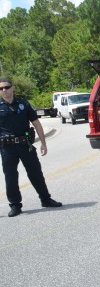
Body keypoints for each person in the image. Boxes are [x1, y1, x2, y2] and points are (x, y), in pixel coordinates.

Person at [0, 77, 62, 217]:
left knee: (36, 173)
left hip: (25, 145)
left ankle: (45, 199)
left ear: (13, 87)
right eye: (1, 88)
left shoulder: (23, 104)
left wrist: (43, 143)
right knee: (10, 177)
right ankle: (15, 205)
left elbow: (36, 123)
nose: (4, 90)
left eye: (7, 87)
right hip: (7, 148)